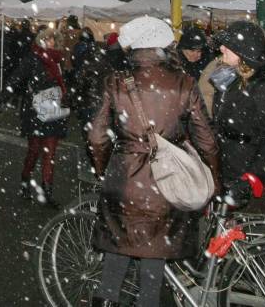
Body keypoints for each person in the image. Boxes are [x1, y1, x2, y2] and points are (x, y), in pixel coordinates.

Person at [87, 16, 219, 307]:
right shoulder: (184, 83)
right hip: (166, 183)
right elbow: (206, 139)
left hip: (124, 182)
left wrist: (103, 169)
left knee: (116, 252)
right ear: (164, 45)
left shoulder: (115, 82)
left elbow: (97, 137)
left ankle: (107, 301)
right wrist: (214, 179)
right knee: (153, 262)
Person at [209, 21, 265, 203]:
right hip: (223, 167)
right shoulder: (228, 79)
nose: (222, 48)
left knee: (239, 229)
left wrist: (250, 178)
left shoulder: (262, 89)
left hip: (243, 170)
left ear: (244, 54)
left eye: (229, 47)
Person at [9, 26, 70, 207]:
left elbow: (64, 83)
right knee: (34, 151)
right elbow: (17, 78)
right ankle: (25, 181)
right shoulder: (32, 59)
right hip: (35, 111)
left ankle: (47, 192)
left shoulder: (58, 60)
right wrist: (4, 94)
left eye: (53, 40)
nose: (50, 42)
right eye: (47, 39)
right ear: (41, 40)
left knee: (49, 154)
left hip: (53, 111)